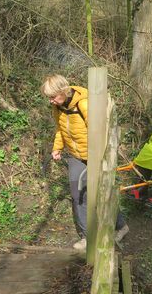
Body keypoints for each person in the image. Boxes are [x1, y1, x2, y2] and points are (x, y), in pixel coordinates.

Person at [41, 74, 128, 250]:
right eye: (48, 98)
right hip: (75, 155)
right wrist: (57, 148)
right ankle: (87, 236)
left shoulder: (84, 104)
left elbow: (100, 130)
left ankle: (121, 226)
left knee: (103, 192)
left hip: (95, 155)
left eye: (53, 97)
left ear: (63, 91)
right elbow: (60, 129)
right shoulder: (58, 107)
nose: (51, 101)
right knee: (77, 194)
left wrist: (99, 156)